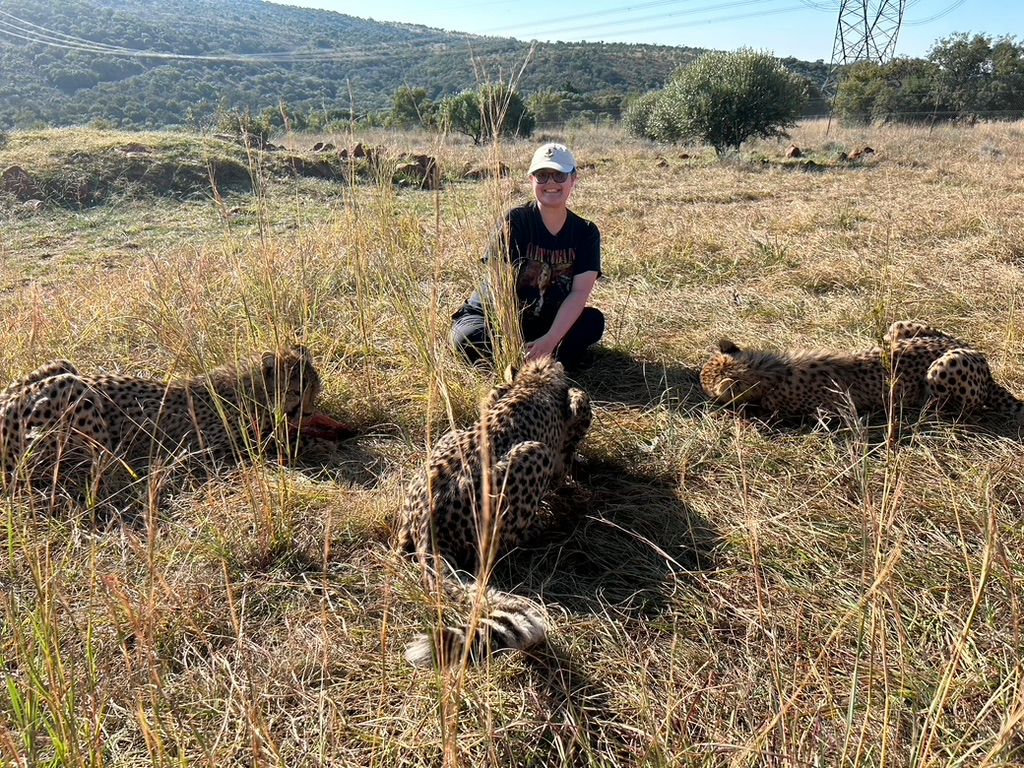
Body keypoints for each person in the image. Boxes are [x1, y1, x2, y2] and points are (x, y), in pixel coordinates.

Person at [451, 142, 604, 369]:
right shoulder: (514, 222)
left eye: (559, 175)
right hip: (496, 317)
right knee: (468, 336)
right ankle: (542, 363)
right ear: (531, 180)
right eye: (542, 175)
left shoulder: (585, 232)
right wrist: (511, 342)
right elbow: (499, 290)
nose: (550, 182)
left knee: (592, 322)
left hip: (544, 321)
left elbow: (579, 293)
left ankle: (540, 358)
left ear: (573, 179)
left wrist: (550, 339)